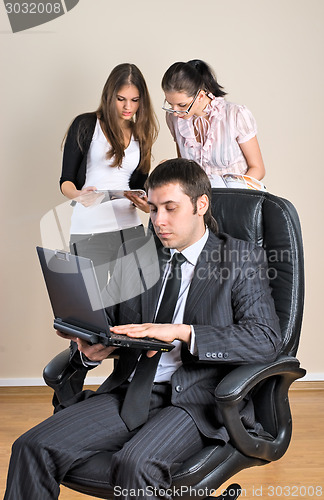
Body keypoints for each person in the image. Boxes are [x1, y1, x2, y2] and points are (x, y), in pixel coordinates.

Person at [3, 159, 282, 500]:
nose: (159, 221)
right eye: (152, 209)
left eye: (170, 208)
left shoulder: (239, 260)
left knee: (135, 464)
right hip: (132, 391)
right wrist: (91, 346)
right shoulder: (136, 255)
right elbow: (110, 323)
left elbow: (265, 340)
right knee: (32, 446)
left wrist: (182, 332)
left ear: (201, 205)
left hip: (198, 400)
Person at [60, 63, 158, 289]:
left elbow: (140, 188)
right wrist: (78, 194)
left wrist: (146, 205)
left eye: (135, 100)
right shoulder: (85, 125)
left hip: (129, 230)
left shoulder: (141, 135)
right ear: (109, 95)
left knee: (130, 307)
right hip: (89, 230)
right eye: (121, 99)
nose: (128, 107)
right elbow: (65, 181)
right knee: (87, 306)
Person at [161, 59, 265, 185]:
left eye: (182, 105)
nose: (176, 112)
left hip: (237, 197)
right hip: (200, 201)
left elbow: (258, 169)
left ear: (200, 96)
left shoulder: (235, 115)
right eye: (171, 104)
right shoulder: (174, 119)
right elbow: (186, 167)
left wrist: (230, 193)